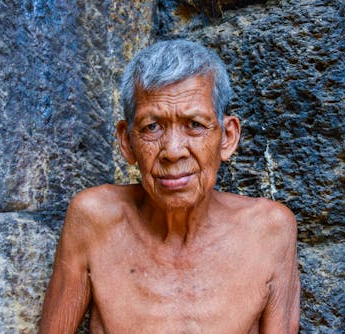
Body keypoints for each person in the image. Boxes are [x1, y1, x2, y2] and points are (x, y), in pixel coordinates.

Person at [39, 39, 300, 333]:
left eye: (194, 125)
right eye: (152, 127)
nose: (173, 150)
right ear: (126, 141)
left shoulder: (270, 230)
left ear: (227, 137)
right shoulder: (94, 220)